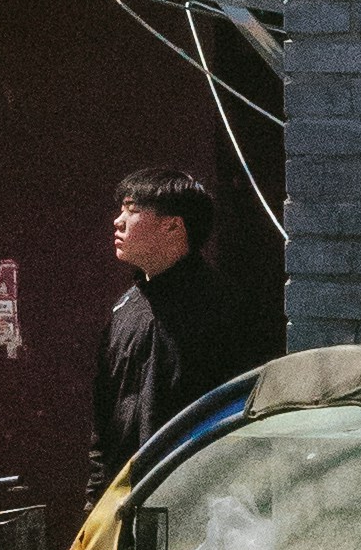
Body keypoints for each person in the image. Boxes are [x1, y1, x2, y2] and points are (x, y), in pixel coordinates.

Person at [92, 169, 258, 490]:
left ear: (173, 225)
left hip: (195, 494)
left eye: (131, 210)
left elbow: (239, 415)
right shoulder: (125, 308)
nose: (118, 221)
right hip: (124, 496)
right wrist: (96, 496)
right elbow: (104, 417)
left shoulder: (222, 307)